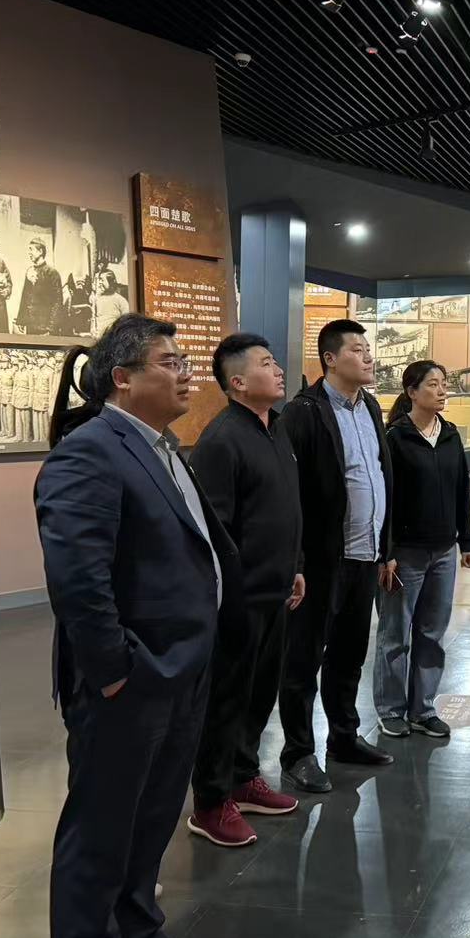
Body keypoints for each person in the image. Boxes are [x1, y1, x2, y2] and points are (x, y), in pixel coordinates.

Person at [35, 314, 235, 938]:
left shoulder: (163, 447)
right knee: (99, 832)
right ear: (122, 378)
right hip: (131, 680)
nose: (187, 373)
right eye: (170, 362)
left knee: (149, 821)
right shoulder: (90, 452)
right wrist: (115, 670)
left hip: (181, 670)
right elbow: (78, 578)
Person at [186, 334, 304, 848]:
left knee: (259, 695)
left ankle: (243, 778)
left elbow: (284, 508)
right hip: (239, 600)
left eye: (275, 362)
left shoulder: (276, 428)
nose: (278, 370)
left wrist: (295, 565)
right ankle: (211, 803)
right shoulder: (221, 440)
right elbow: (215, 532)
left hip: (277, 590)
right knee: (226, 701)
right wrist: (230, 596)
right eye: (265, 363)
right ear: (237, 381)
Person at [277, 319, 397, 793]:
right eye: (357, 350)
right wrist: (298, 561)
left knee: (349, 655)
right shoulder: (303, 412)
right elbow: (290, 492)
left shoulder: (371, 407)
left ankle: (343, 737)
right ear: (330, 359)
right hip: (323, 561)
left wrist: (386, 549)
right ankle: (298, 753)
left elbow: (382, 477)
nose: (368, 356)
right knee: (303, 659)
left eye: (368, 349)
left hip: (365, 556)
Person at [376, 360, 470, 740]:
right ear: (412, 392)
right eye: (433, 384)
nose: (442, 390)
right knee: (395, 635)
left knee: (432, 633)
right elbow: (386, 500)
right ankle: (391, 710)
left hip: (444, 551)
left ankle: (423, 709)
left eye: (443, 383)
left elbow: (460, 491)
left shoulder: (450, 435)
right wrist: (387, 552)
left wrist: (466, 540)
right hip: (406, 553)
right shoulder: (395, 439)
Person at [16, 238, 65, 335]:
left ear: (40, 251)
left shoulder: (52, 273)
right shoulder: (30, 271)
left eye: (31, 249)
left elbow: (57, 302)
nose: (29, 253)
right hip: (31, 326)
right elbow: (25, 297)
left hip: (45, 327)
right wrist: (21, 320)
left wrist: (51, 328)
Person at [93, 267, 130, 332]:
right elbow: (94, 319)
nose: (100, 282)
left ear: (110, 282)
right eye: (99, 280)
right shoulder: (97, 299)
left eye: (102, 280)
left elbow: (126, 323)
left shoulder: (121, 300)